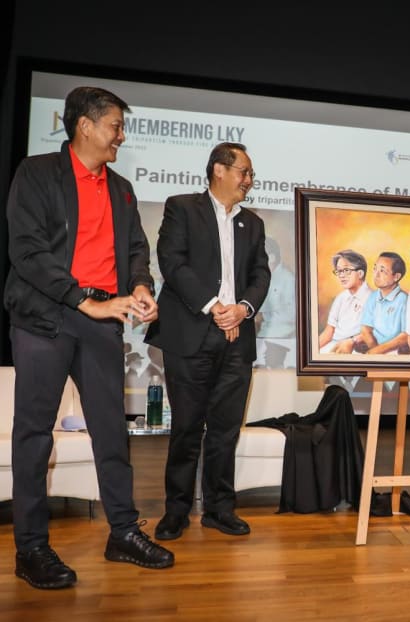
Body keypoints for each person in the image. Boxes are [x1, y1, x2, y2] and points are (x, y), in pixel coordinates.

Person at [4, 86, 174, 589]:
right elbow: (28, 252)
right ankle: (31, 547)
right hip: (46, 315)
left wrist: (140, 287)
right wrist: (85, 300)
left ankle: (122, 531)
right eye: (115, 126)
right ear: (84, 126)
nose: (122, 135)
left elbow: (136, 248)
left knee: (111, 430)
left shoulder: (120, 187)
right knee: (34, 435)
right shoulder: (36, 174)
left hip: (103, 319)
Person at [145, 142, 270, 540]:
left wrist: (243, 308)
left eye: (250, 174)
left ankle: (219, 509)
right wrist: (217, 307)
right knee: (186, 427)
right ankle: (177, 511)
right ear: (219, 169)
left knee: (225, 429)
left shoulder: (252, 223)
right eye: (244, 172)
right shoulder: (181, 207)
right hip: (191, 333)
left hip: (238, 338)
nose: (249, 181)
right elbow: (172, 262)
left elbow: (261, 274)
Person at [318, 250, 372, 354]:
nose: (341, 275)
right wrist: (311, 350)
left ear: (360, 273)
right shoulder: (341, 298)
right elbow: (329, 331)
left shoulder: (372, 298)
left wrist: (352, 341)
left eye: (346, 270)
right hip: (334, 345)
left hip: (356, 349)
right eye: (338, 271)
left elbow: (374, 333)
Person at [356, 252, 409, 354]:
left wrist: (379, 351)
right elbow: (365, 328)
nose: (376, 274)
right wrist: (374, 349)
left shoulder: (404, 299)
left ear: (396, 277)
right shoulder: (373, 296)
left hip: (395, 350)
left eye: (382, 271)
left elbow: (405, 335)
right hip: (373, 348)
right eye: (375, 269)